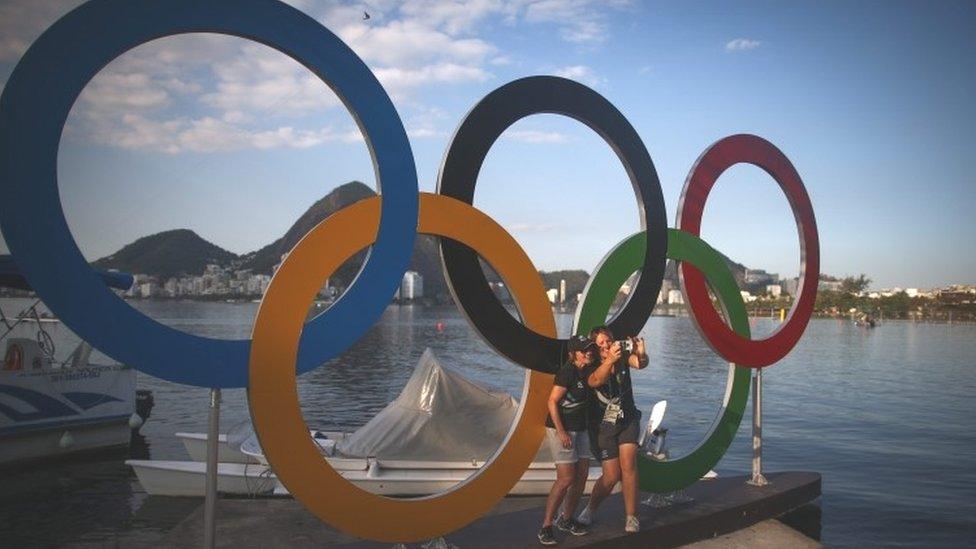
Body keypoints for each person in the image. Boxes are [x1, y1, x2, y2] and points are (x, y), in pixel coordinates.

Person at [576, 325, 648, 534]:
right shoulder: (591, 364)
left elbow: (640, 364)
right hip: (604, 426)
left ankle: (631, 517)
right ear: (595, 346)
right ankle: (590, 509)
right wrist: (610, 360)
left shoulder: (623, 357)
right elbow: (595, 381)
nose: (606, 345)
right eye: (601, 343)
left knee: (629, 466)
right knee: (610, 476)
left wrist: (641, 352)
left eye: (609, 341)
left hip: (627, 420)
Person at [537, 335, 595, 546]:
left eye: (590, 348)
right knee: (566, 479)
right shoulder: (567, 372)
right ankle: (546, 525)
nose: (589, 352)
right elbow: (552, 402)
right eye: (584, 350)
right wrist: (561, 432)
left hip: (581, 429)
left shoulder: (588, 369)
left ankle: (566, 519)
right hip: (562, 429)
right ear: (573, 354)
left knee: (582, 476)